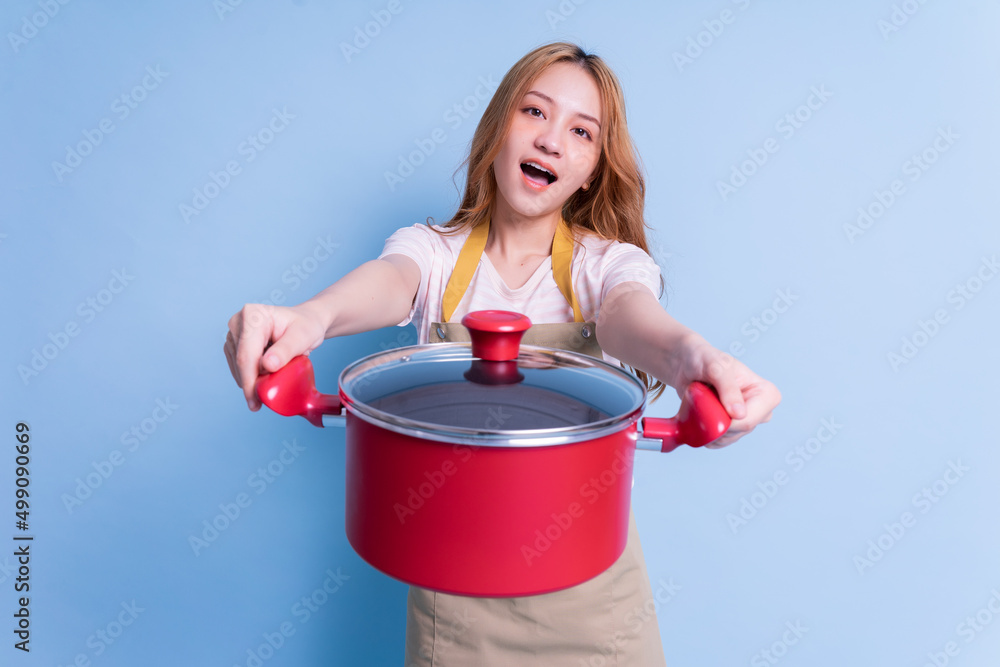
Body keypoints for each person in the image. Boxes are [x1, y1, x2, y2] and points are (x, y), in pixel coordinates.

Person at [224, 42, 780, 666]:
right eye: (534, 113)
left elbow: (630, 316)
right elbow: (389, 279)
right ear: (499, 128)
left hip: (595, 592)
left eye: (580, 132)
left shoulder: (605, 267)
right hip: (457, 593)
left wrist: (691, 360)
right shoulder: (432, 254)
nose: (550, 141)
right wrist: (309, 318)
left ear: (592, 168)